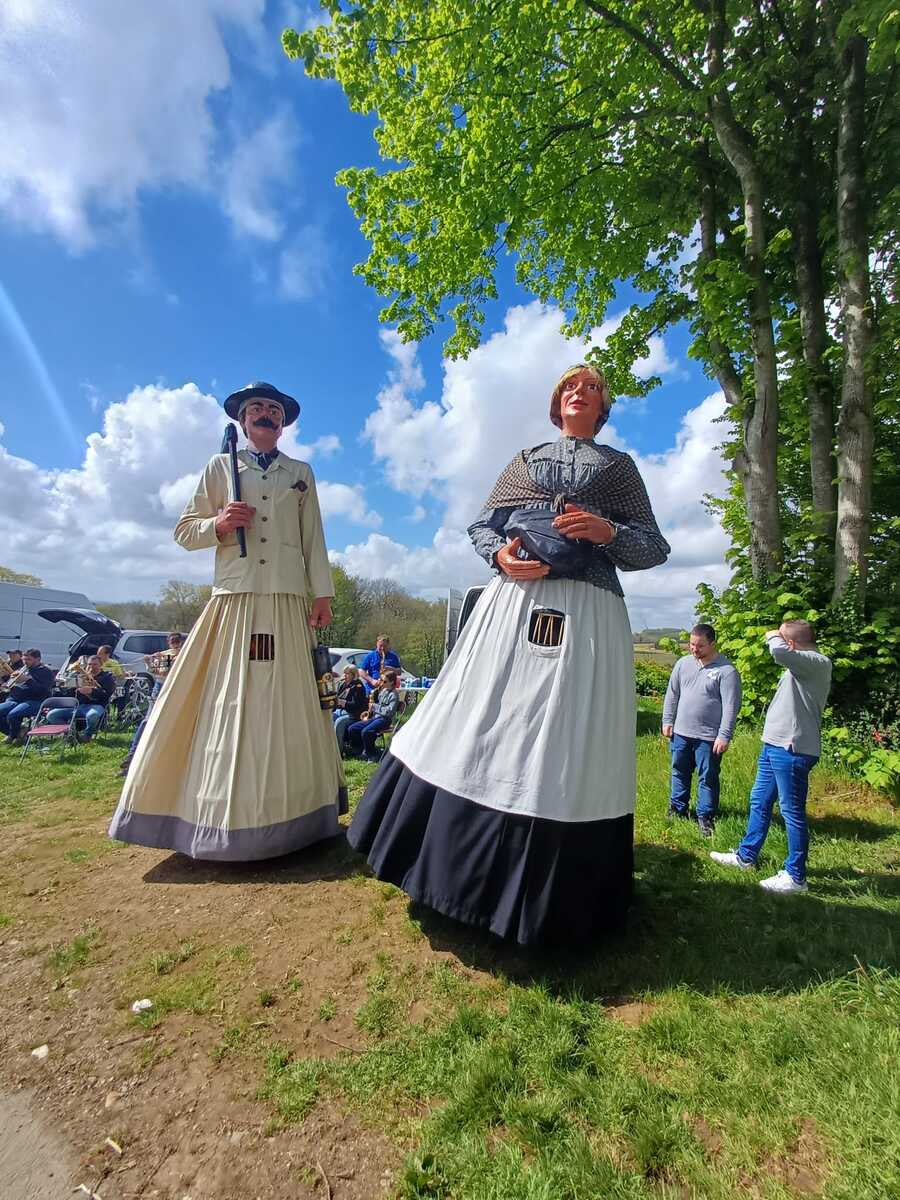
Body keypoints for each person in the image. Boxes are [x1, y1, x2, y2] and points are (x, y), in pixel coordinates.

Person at [348, 364, 670, 946]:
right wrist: (499, 556)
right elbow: (481, 526)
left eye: (592, 388)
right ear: (556, 402)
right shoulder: (524, 460)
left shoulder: (619, 468)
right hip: (513, 602)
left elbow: (655, 547)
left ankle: (550, 893)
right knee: (484, 715)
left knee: (564, 732)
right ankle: (449, 871)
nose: (579, 393)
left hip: (589, 611)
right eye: (570, 386)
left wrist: (608, 533)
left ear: (603, 409)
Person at [108, 380, 346, 860]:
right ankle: (214, 817)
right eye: (257, 408)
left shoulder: (300, 472)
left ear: (283, 423)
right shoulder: (221, 468)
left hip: (286, 598)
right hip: (235, 597)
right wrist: (218, 525)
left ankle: (303, 815)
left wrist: (322, 593)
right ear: (242, 419)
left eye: (274, 409)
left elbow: (313, 536)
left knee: (289, 698)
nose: (266, 414)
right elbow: (184, 530)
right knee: (230, 697)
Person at [710, 621, 832, 894]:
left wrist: (773, 634)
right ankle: (746, 856)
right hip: (775, 745)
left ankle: (796, 877)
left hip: (792, 749)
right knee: (760, 801)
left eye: (782, 638)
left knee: (791, 812)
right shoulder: (802, 664)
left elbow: (778, 652)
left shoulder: (817, 662)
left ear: (791, 644)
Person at [662, 623, 742, 836]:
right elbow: (672, 694)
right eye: (691, 644)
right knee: (679, 770)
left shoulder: (727, 671)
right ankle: (677, 808)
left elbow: (731, 707)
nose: (694, 649)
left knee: (707, 776)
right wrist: (667, 720)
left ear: (713, 644)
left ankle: (705, 816)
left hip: (708, 737)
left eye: (700, 646)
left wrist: (724, 735)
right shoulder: (683, 664)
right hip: (681, 733)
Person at [117, 633, 186, 776]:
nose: (175, 645)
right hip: (160, 688)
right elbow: (157, 673)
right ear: (169, 643)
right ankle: (132, 757)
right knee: (147, 721)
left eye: (177, 642)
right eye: (172, 642)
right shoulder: (165, 656)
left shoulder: (186, 655)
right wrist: (149, 662)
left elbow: (171, 672)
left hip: (177, 689)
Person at [44, 654, 115, 741]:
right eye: (89, 664)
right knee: (52, 715)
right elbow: (70, 694)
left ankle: (87, 735)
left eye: (95, 664)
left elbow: (107, 694)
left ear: (101, 665)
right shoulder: (81, 677)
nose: (92, 667)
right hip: (78, 705)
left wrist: (92, 691)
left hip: (96, 705)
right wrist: (68, 686)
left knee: (93, 715)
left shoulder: (107, 677)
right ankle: (71, 733)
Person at [0, 649, 55, 742]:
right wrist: (8, 684)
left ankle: (13, 735)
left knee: (13, 715)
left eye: (29, 659)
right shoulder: (23, 669)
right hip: (15, 699)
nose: (25, 662)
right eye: (24, 659)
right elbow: (14, 684)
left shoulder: (45, 671)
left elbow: (44, 690)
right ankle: (17, 733)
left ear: (38, 659)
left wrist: (28, 680)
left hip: (35, 700)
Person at [347, 670, 400, 761]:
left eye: (384, 681)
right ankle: (360, 749)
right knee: (352, 728)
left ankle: (373, 754)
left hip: (385, 719)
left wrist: (374, 707)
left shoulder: (394, 695)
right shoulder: (383, 691)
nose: (381, 683)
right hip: (376, 717)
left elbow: (389, 712)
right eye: (381, 680)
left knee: (366, 731)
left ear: (391, 682)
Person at [333, 666, 368, 752]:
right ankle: (332, 746)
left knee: (339, 722)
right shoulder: (342, 684)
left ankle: (339, 750)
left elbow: (356, 705)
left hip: (354, 714)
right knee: (331, 717)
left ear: (354, 675)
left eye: (347, 673)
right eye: (344, 673)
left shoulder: (358, 686)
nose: (344, 675)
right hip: (342, 711)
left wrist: (343, 703)